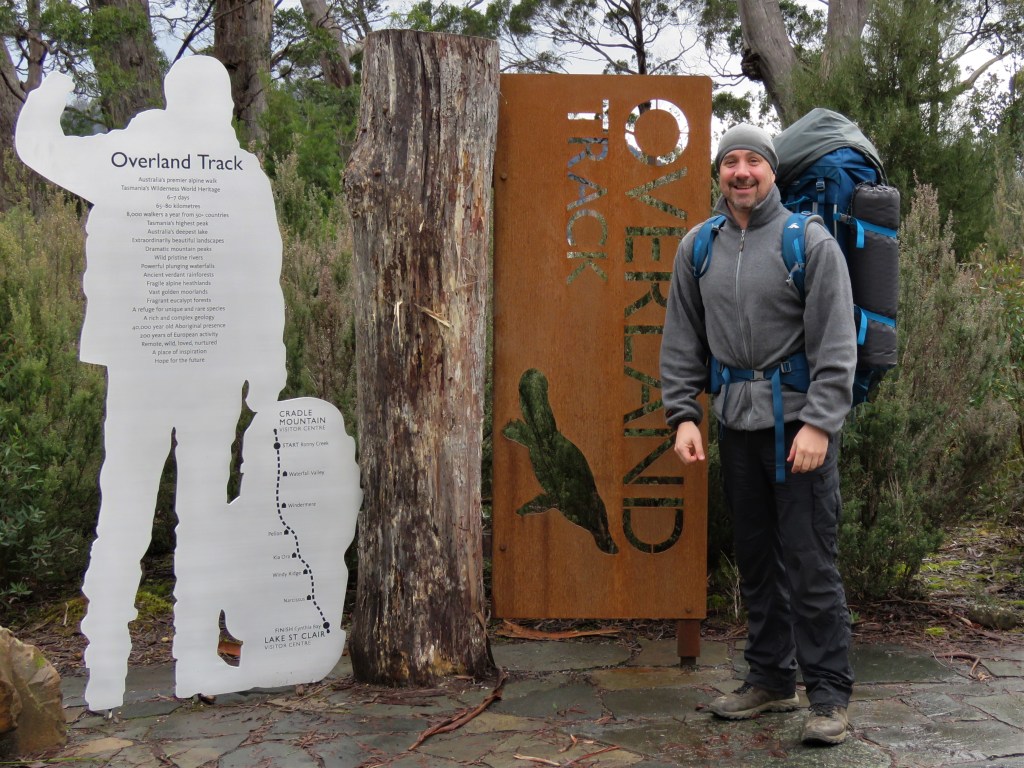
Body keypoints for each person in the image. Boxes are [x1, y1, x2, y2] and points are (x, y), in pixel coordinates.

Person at [15, 56, 287, 710]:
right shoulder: (238, 174)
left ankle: (109, 662)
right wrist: (266, 369)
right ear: (218, 106)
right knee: (197, 514)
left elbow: (37, 146)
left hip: (147, 364)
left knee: (126, 509)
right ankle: (185, 657)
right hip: (206, 365)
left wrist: (48, 97)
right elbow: (263, 276)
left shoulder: (123, 158)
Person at [659, 124, 857, 745]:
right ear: (719, 173)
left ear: (772, 171)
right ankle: (771, 677)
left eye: (753, 161)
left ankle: (828, 695)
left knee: (809, 561)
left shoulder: (810, 243)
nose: (741, 172)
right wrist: (683, 414)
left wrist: (821, 423)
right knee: (755, 561)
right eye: (730, 162)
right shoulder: (699, 248)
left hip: (799, 428)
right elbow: (681, 339)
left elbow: (836, 343)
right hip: (736, 427)